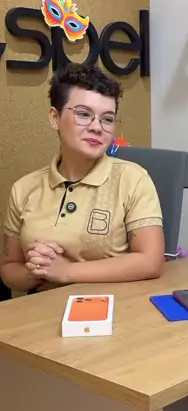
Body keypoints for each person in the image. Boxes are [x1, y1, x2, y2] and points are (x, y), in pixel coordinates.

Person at [0, 64, 165, 293]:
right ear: (55, 118)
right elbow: (9, 268)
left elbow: (150, 261)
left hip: (115, 306)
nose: (97, 127)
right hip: (43, 308)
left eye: (107, 119)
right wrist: (38, 270)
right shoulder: (24, 188)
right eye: (84, 114)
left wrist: (66, 271)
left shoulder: (133, 179)